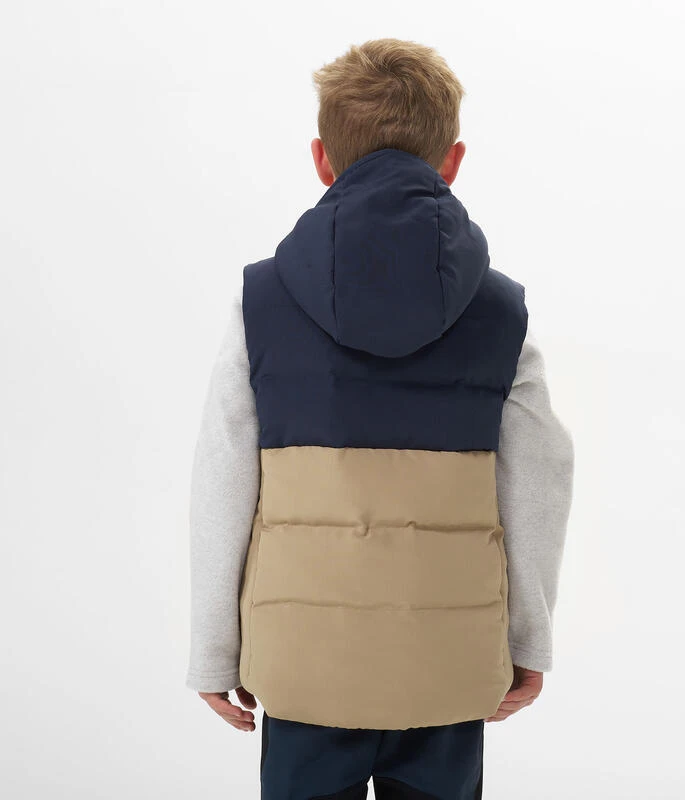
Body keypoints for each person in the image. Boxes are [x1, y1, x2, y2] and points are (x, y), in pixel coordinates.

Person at [185, 37, 574, 800]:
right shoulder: (501, 312)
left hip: (303, 662)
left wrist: (212, 650)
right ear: (452, 161)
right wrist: (528, 641)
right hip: (448, 662)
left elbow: (222, 477)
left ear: (322, 160)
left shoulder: (262, 302)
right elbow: (540, 481)